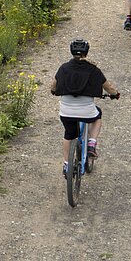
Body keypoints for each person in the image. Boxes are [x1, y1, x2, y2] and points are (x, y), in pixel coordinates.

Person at [51, 38, 119, 175]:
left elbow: (53, 85)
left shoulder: (64, 68)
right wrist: (115, 94)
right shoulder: (93, 69)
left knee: (69, 135)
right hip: (87, 111)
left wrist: (54, 91)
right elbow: (108, 87)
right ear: (86, 52)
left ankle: (66, 165)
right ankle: (92, 143)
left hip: (66, 111)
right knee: (97, 115)